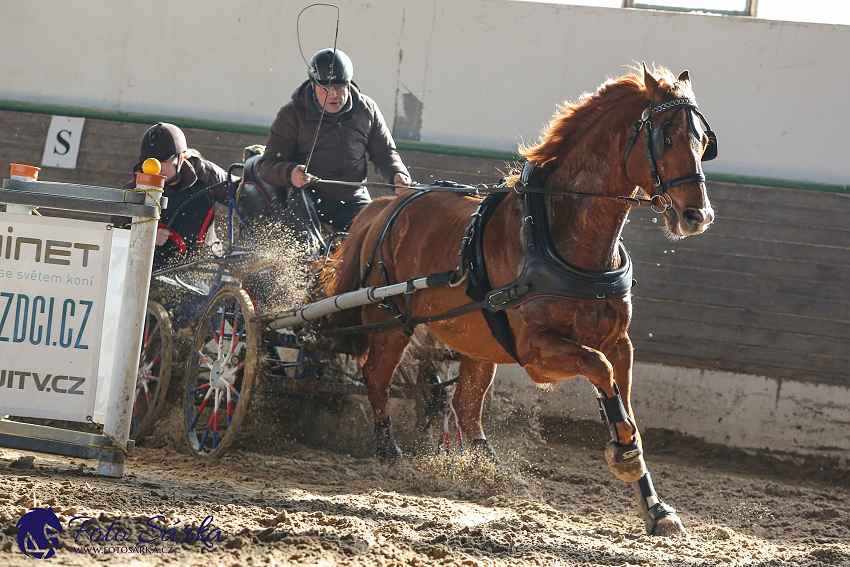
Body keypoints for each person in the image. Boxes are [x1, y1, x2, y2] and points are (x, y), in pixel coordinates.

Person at [257, 48, 411, 232]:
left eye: (339, 86)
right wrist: (291, 173)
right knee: (302, 230)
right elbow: (267, 166)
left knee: (380, 233)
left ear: (348, 83)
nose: (334, 95)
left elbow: (385, 153)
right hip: (308, 197)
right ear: (313, 86)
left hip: (353, 198)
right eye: (325, 88)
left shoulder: (367, 110)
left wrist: (397, 175)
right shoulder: (291, 114)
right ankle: (303, 260)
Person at [126, 122, 229, 269]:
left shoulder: (208, 176)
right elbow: (117, 236)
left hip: (207, 268)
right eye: (149, 162)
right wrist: (146, 237)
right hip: (155, 275)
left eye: (163, 162)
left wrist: (255, 168)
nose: (157, 168)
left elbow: (240, 194)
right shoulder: (133, 192)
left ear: (180, 160)